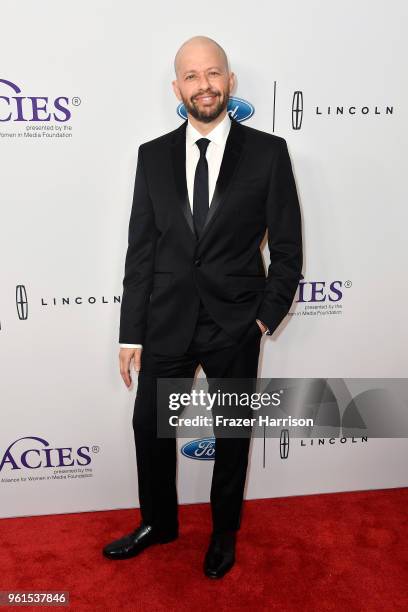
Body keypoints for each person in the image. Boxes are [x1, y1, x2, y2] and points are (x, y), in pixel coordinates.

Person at [103, 35, 303, 578]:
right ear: (177, 88)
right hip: (166, 322)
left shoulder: (267, 153)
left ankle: (223, 533)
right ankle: (159, 523)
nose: (204, 85)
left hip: (235, 323)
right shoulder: (152, 156)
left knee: (233, 436)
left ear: (230, 81)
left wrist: (265, 317)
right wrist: (130, 335)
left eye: (213, 73)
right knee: (150, 427)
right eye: (191, 76)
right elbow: (140, 253)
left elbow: (288, 250)